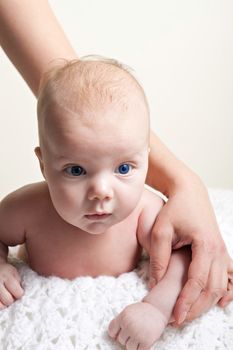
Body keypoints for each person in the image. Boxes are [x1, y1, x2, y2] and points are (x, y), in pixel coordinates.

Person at [0, 0, 232, 327]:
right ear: (44, 164)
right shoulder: (27, 209)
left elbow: (182, 257)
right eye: (76, 170)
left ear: (146, 160)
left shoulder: (142, 212)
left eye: (124, 168)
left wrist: (156, 307)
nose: (101, 192)